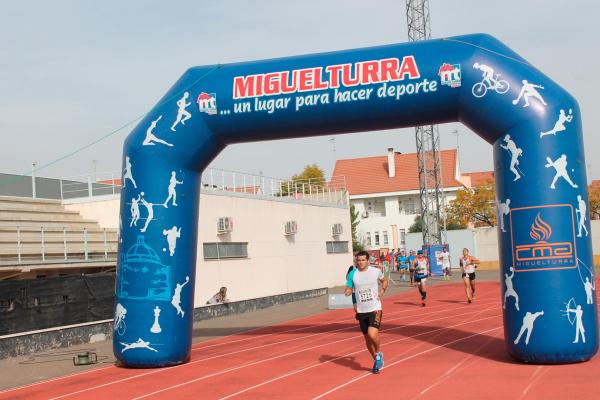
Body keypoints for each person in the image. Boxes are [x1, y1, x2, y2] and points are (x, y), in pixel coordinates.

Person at [345, 250, 388, 374]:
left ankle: (379, 353)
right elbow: (348, 287)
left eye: (363, 260)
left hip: (375, 308)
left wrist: (383, 290)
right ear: (356, 261)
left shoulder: (375, 271)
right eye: (358, 260)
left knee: (372, 334)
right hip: (361, 310)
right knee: (367, 340)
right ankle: (376, 359)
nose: (361, 262)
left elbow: (384, 280)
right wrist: (347, 291)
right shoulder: (352, 274)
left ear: (368, 261)